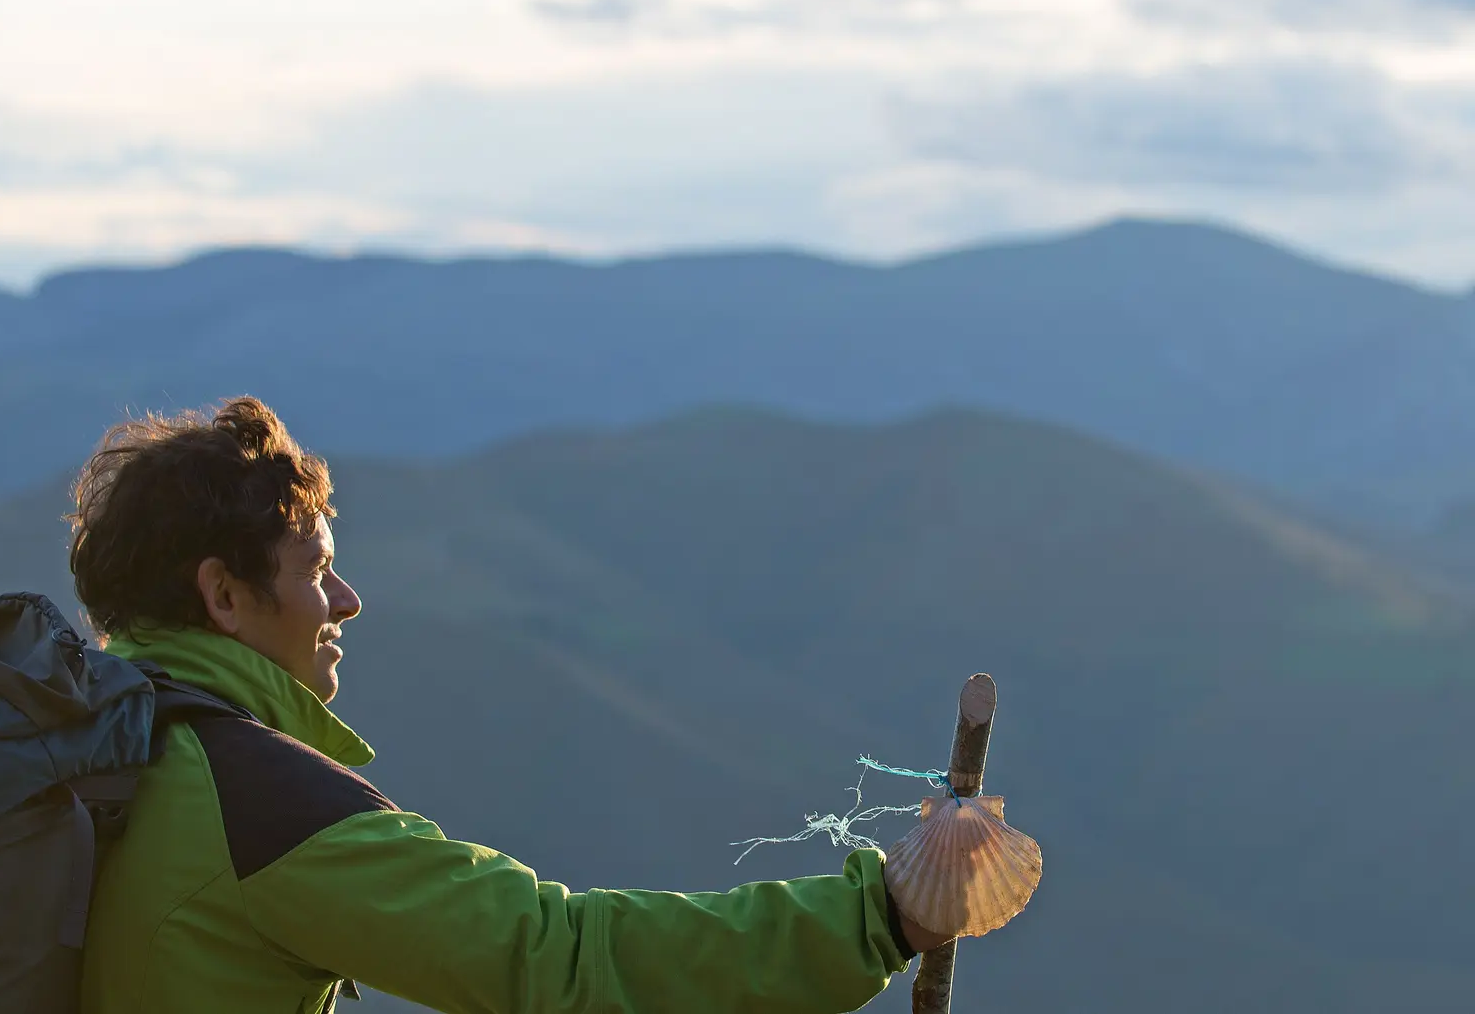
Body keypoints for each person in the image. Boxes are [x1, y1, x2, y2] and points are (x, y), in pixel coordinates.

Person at [73, 397, 974, 1013]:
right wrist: (880, 917)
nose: (346, 601)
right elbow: (560, 961)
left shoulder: (87, 743)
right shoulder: (259, 811)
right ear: (223, 597)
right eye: (314, 571)